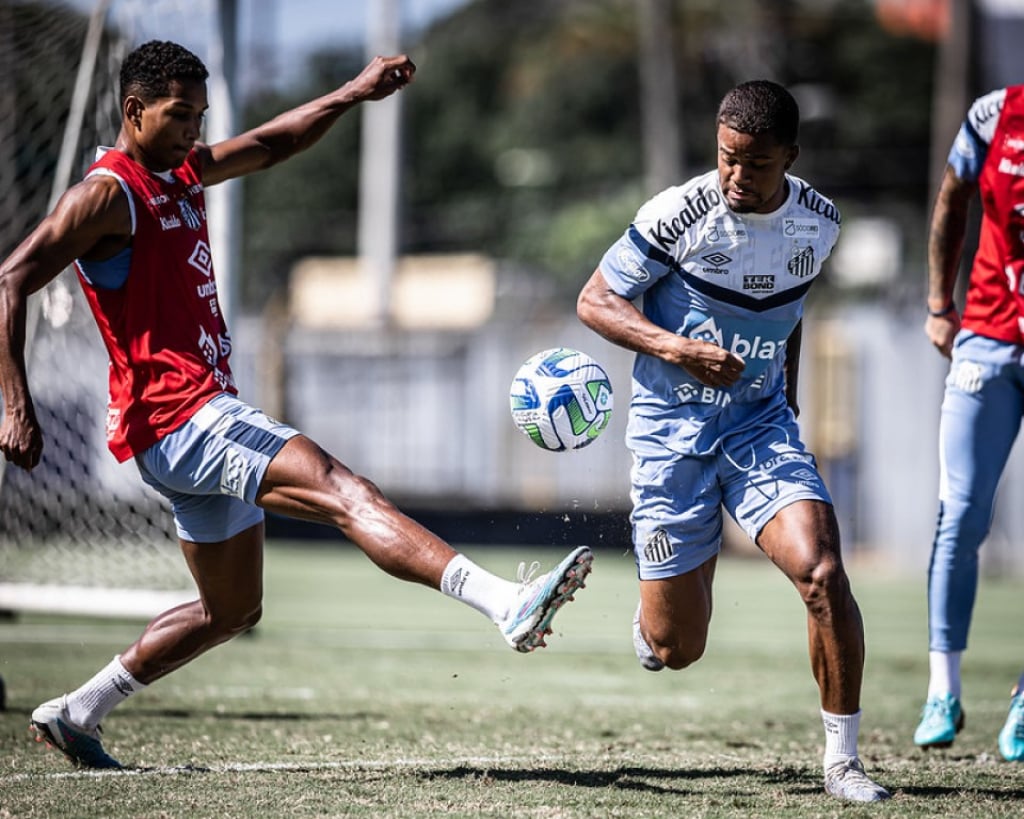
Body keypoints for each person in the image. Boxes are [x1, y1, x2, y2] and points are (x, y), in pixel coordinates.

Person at [0, 40, 593, 770]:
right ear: (134, 110)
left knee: (231, 610)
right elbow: (11, 277)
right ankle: (505, 603)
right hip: (184, 415)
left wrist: (352, 92)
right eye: (179, 115)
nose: (194, 131)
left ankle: (75, 711)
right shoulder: (106, 192)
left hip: (177, 428)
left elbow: (272, 143)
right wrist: (14, 403)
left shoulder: (182, 171)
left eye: (199, 116)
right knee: (346, 490)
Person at [577, 80, 889, 803]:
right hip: (671, 438)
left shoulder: (821, 222)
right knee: (677, 648)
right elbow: (596, 300)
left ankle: (843, 761)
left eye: (755, 164)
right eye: (726, 159)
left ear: (790, 156)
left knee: (822, 572)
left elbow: (792, 309)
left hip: (760, 426)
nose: (736, 178)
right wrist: (676, 348)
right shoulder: (677, 214)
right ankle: (660, 610)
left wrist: (792, 393)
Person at [914, 85, 1024, 761]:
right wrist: (937, 301)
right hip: (985, 337)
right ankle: (941, 689)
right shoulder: (993, 115)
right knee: (959, 514)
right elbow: (952, 197)